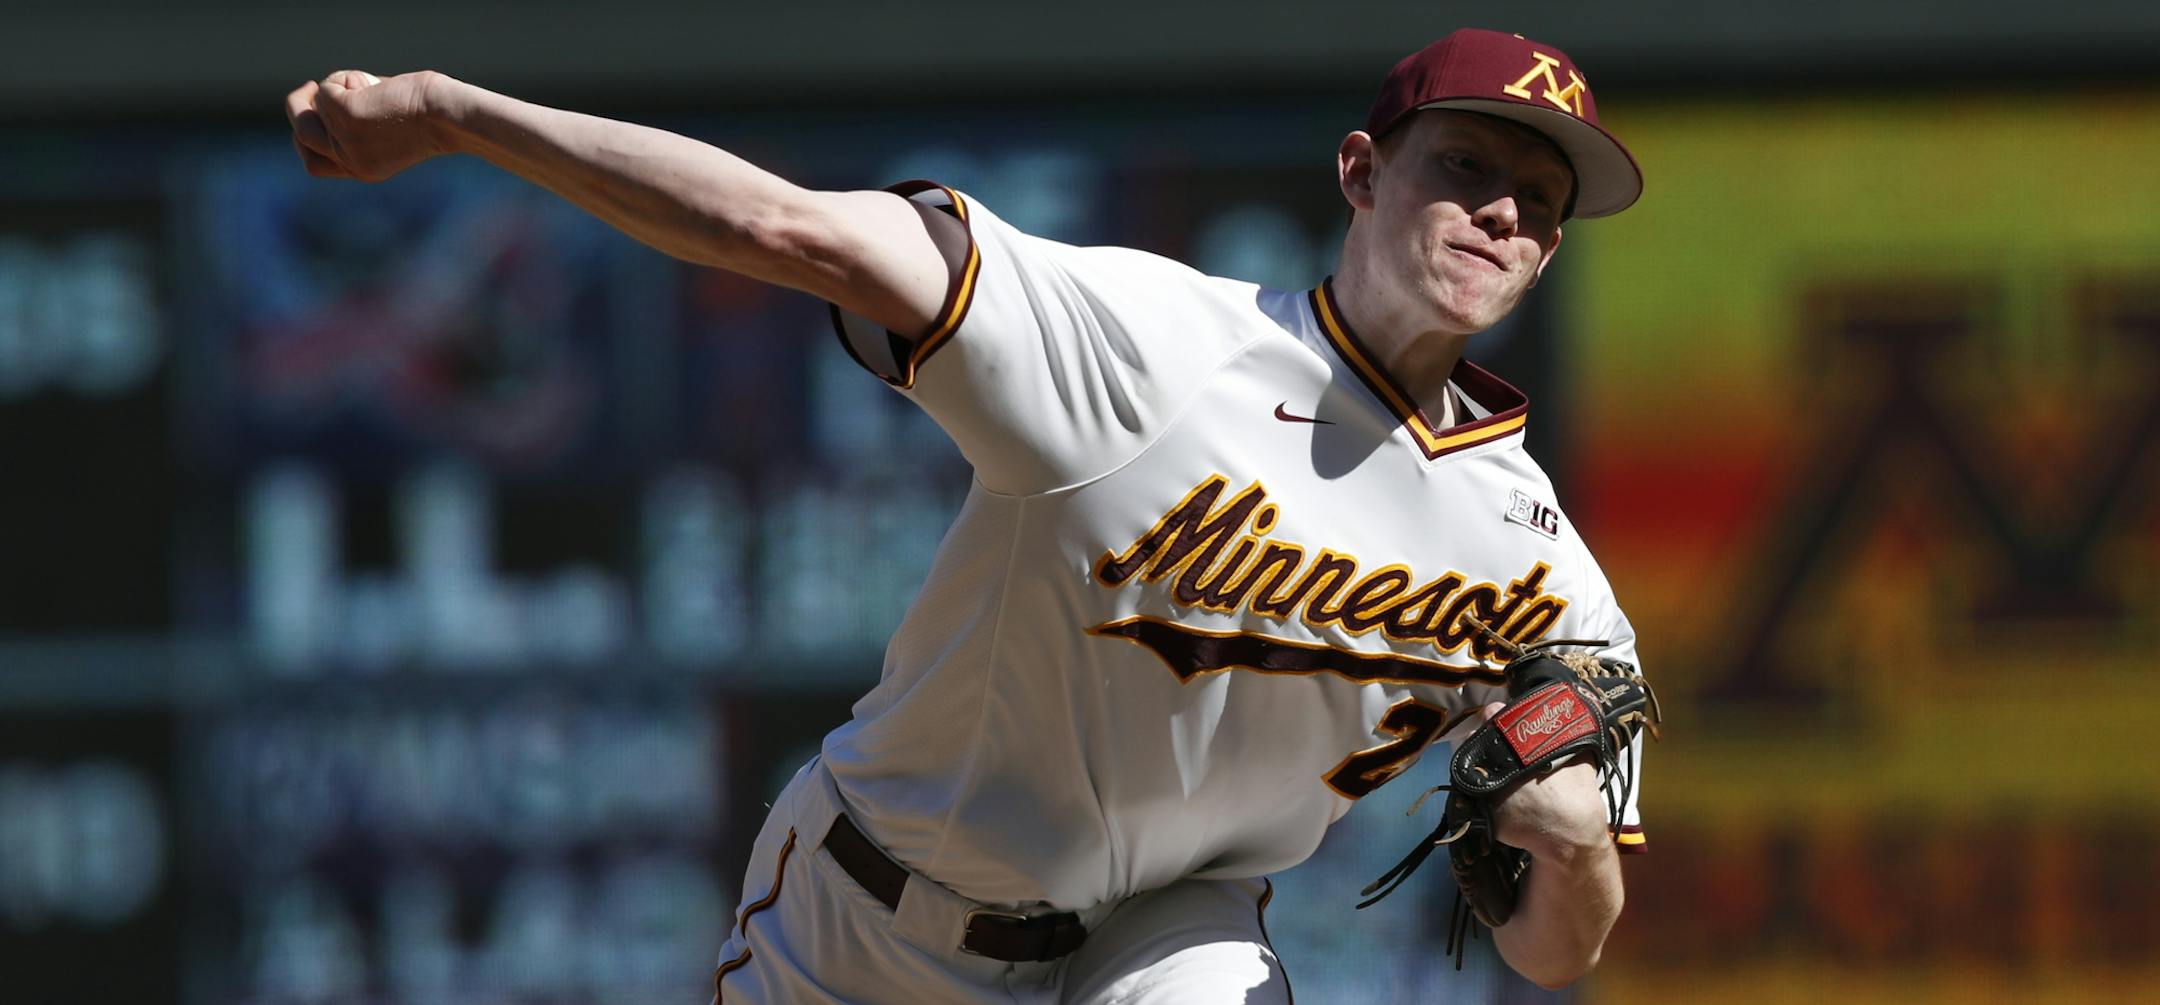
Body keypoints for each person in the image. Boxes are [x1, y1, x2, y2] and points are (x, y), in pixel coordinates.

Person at [285, 26, 1649, 1003]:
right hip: (883, 919)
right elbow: (781, 227)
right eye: (1466, 165)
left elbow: (1555, 947)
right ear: (1360, 172)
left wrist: (1575, 850)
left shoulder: (1541, 570)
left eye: (1539, 202)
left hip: (1167, 935)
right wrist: (461, 115)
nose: (1502, 212)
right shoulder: (1145, 342)